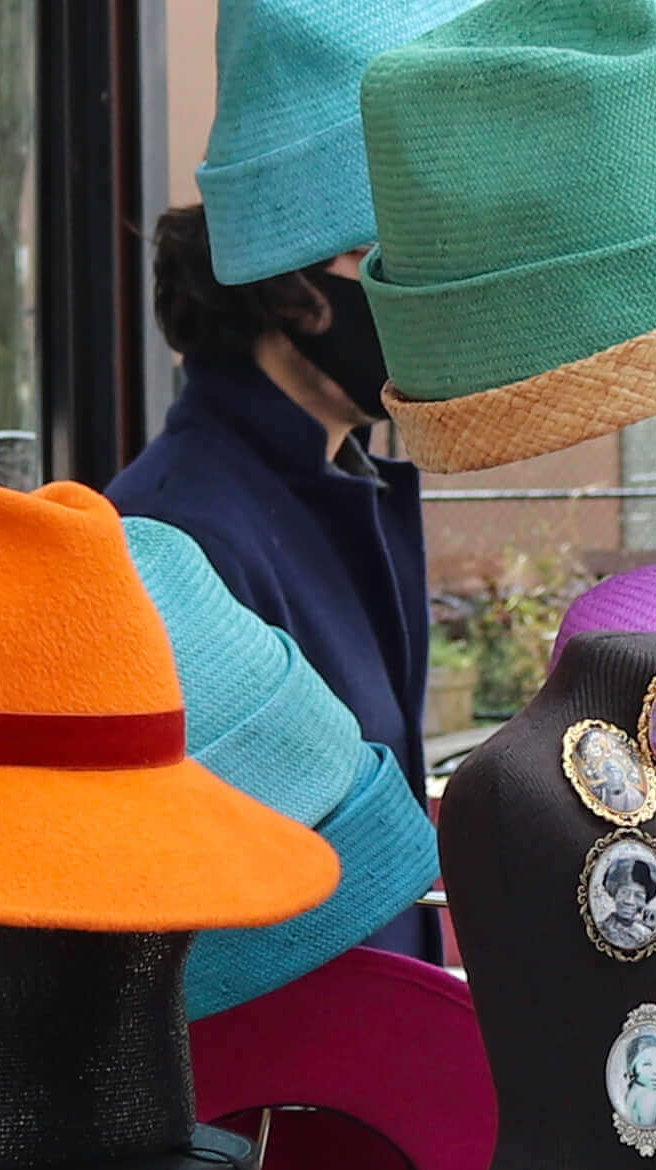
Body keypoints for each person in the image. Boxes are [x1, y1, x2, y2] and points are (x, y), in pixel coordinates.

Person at [111, 198, 431, 794]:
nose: (403, 296)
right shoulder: (175, 532)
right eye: (368, 261)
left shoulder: (342, 487)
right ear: (287, 290)